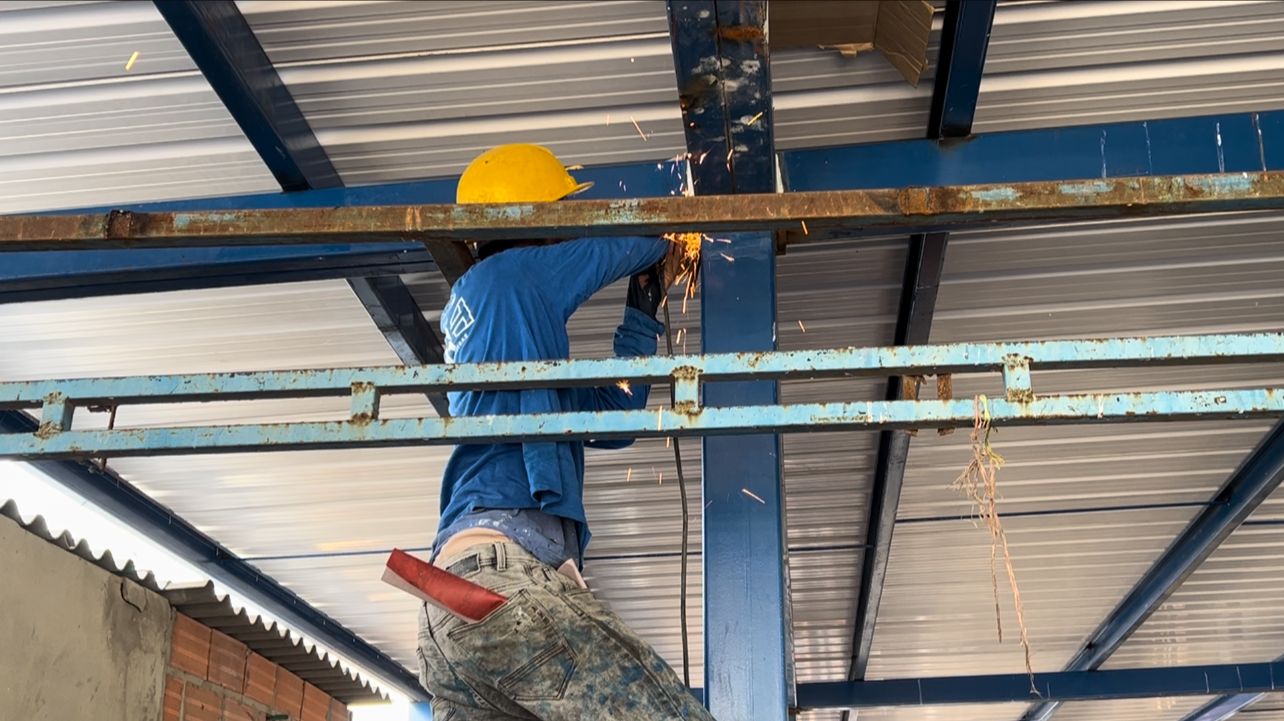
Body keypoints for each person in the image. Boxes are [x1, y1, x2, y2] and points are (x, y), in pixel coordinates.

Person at [415, 144, 713, 721]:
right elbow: (619, 245)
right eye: (560, 221)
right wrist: (679, 234)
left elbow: (616, 414)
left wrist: (642, 310)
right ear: (533, 221)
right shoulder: (506, 274)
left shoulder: (506, 339)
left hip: (448, 601)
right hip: (498, 578)